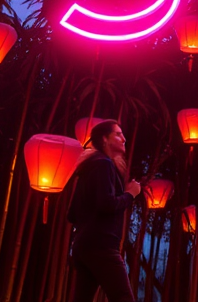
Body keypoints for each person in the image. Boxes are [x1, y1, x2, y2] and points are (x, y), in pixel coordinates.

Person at [67, 120, 141, 302]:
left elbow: (72, 214)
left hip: (83, 247)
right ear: (104, 139)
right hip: (102, 246)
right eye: (118, 134)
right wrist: (130, 194)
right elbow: (106, 204)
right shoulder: (103, 164)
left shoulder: (89, 167)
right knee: (123, 298)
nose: (124, 138)